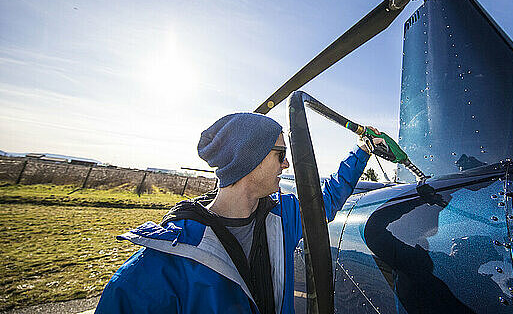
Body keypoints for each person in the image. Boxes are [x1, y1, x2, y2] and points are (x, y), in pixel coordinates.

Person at [96, 112, 382, 314]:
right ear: (251, 159)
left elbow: (326, 200)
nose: (286, 165)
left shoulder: (284, 217)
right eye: (280, 154)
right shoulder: (163, 263)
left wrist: (362, 150)